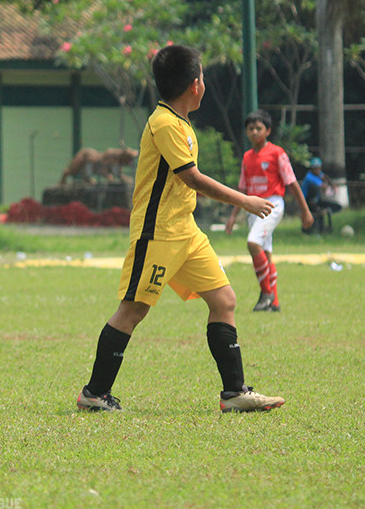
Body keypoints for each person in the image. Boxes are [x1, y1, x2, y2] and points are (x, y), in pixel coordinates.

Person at [77, 45, 285, 414]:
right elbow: (191, 178)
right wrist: (245, 201)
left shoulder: (180, 121)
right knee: (132, 311)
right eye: (202, 76)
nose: (203, 83)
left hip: (186, 231)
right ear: (195, 85)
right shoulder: (165, 123)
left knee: (225, 301)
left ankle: (234, 393)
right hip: (157, 234)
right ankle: (94, 394)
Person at [225, 110, 314, 312]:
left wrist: (305, 211)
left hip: (271, 204)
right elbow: (242, 188)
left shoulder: (277, 153)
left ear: (268, 131)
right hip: (251, 207)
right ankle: (273, 302)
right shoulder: (247, 157)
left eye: (259, 128)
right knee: (265, 253)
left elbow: (291, 182)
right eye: (251, 128)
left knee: (253, 243)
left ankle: (266, 294)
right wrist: (232, 216)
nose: (254, 132)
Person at [301, 157, 341, 233]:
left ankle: (326, 212)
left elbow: (325, 176)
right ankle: (310, 229)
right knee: (314, 189)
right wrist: (329, 186)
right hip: (307, 201)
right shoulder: (309, 177)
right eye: (315, 169)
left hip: (317, 200)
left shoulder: (318, 174)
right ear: (312, 169)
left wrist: (332, 185)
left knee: (337, 206)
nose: (318, 170)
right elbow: (322, 186)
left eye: (319, 168)